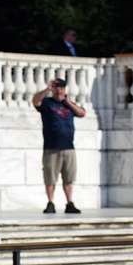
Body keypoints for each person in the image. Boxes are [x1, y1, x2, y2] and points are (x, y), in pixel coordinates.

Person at [32, 78, 86, 213]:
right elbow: (35, 101)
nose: (59, 90)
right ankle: (50, 202)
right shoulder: (47, 103)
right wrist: (46, 90)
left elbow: (82, 113)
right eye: (56, 87)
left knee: (69, 177)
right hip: (51, 147)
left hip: (68, 147)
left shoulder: (68, 104)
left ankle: (69, 203)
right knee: (50, 177)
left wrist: (67, 102)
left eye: (61, 87)